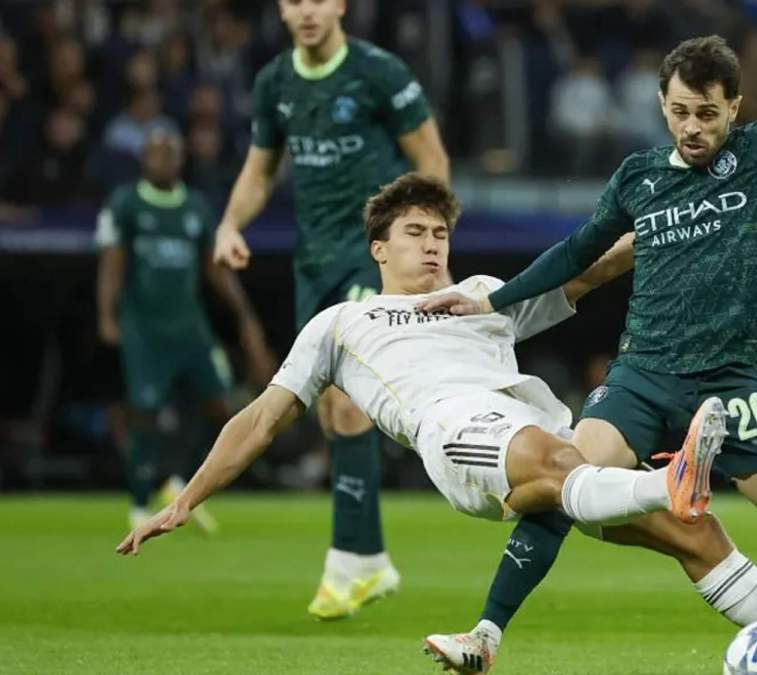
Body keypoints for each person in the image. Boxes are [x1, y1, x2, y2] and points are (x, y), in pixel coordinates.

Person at [418, 2, 757, 673]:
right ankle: (484, 636)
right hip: (643, 377)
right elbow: (576, 251)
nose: (692, 126)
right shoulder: (638, 177)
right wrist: (494, 298)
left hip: (732, 386)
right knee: (562, 483)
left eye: (707, 113)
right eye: (680, 110)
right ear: (662, 104)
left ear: (734, 106)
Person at [116, 174, 725, 582]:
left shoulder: (482, 294)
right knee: (574, 465)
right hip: (460, 440)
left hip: (535, 430)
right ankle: (671, 480)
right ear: (379, 249)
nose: (432, 245)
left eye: (439, 234)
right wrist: (187, 499)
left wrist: (671, 225)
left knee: (692, 535)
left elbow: (587, 274)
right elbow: (262, 418)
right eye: (414, 233)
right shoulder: (343, 322)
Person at [211, 0, 450, 620]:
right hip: (312, 264)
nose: (307, 10)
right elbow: (260, 171)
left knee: (349, 399)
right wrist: (230, 224)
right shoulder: (275, 84)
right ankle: (366, 561)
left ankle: (348, 561)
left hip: (372, 258)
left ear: (340, 5)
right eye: (294, 0)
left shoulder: (379, 72)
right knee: (328, 407)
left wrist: (428, 250)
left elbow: (432, 161)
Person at [95, 129, 271, 531]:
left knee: (222, 405)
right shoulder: (126, 204)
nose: (164, 160)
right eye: (156, 152)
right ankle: (140, 500)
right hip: (143, 327)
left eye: (171, 152)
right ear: (143, 159)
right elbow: (113, 261)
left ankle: (174, 475)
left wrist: (244, 316)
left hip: (190, 327)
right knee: (144, 412)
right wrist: (106, 314)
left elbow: (214, 267)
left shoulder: (195, 207)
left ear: (181, 159)